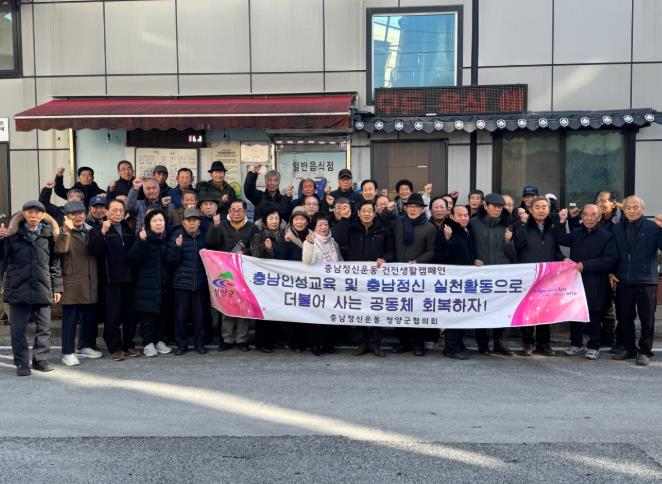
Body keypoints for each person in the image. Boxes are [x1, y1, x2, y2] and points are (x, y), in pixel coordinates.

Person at [0, 201, 62, 376]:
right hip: (17, 288)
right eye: (29, 212)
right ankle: (21, 363)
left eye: (37, 213)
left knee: (44, 328)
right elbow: (2, 257)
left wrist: (57, 288)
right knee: (18, 330)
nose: (33, 216)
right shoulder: (12, 235)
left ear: (43, 216)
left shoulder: (49, 236)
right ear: (23, 214)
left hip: (42, 288)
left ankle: (40, 360)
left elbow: (55, 264)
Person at [555, 205, 618, 360]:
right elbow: (561, 239)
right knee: (575, 311)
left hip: (595, 280)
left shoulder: (607, 236)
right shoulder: (577, 233)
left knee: (594, 313)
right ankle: (576, 343)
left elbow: (610, 260)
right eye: (586, 215)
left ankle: (594, 346)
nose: (589, 218)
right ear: (582, 216)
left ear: (599, 217)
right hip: (575, 279)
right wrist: (561, 222)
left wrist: (585, 265)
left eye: (593, 215)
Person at [334, 200, 394, 357]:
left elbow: (391, 251)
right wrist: (344, 219)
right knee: (358, 308)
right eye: (364, 211)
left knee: (376, 308)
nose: (367, 214)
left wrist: (384, 259)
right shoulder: (351, 227)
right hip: (356, 278)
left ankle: (375, 343)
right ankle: (361, 343)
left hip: (376, 278)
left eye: (370, 211)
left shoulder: (383, 229)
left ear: (375, 213)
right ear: (359, 213)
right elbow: (338, 240)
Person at [610, 196, 662, 366]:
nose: (632, 211)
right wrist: (611, 272)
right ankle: (629, 348)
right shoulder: (616, 228)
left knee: (647, 319)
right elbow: (612, 253)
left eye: (636, 207)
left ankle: (645, 351)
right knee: (625, 317)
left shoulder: (653, 228)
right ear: (623, 210)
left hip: (647, 280)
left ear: (643, 209)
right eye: (628, 208)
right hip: (623, 280)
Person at [512, 196, 565, 356]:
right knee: (527, 310)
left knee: (545, 310)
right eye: (537, 207)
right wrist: (521, 225)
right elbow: (518, 245)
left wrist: (564, 260)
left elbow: (556, 249)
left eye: (544, 207)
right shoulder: (522, 225)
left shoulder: (552, 226)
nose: (541, 210)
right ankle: (528, 343)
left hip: (547, 275)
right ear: (530, 209)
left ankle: (544, 343)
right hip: (528, 274)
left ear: (548, 209)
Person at [88, 199, 139, 361]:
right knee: (113, 315)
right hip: (110, 281)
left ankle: (128, 344)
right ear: (107, 212)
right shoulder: (98, 230)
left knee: (130, 314)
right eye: (114, 210)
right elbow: (94, 250)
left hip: (129, 279)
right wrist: (103, 232)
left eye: (121, 211)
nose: (118, 214)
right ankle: (114, 347)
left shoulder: (128, 229)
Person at [54, 201, 103, 366]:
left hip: (90, 280)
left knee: (88, 317)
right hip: (72, 281)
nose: (78, 216)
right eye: (73, 214)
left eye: (81, 212)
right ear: (66, 216)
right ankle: (68, 352)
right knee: (70, 319)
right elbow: (60, 249)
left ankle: (84, 346)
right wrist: (66, 231)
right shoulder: (63, 231)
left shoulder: (91, 230)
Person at [206, 199, 257, 352]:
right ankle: (227, 339)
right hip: (225, 272)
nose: (236, 213)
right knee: (227, 305)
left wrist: (245, 252)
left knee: (244, 306)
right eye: (233, 210)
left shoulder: (252, 227)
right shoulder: (221, 225)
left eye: (239, 210)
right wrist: (214, 227)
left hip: (244, 272)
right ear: (228, 211)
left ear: (245, 211)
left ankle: (242, 339)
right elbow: (211, 243)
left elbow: (256, 248)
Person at [470, 193, 516, 356]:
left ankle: (499, 342)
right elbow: (469, 246)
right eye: (494, 206)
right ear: (485, 205)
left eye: (500, 206)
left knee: (501, 309)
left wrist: (509, 241)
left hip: (501, 274)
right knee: (480, 307)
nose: (497, 209)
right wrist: (473, 259)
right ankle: (482, 344)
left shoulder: (508, 224)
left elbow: (514, 255)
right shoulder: (473, 223)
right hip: (480, 273)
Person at [390, 193, 436, 356]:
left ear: (422, 209)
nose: (413, 210)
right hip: (398, 274)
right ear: (405, 208)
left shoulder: (429, 227)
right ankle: (404, 342)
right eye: (410, 207)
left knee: (417, 309)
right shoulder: (398, 223)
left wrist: (418, 261)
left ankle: (418, 344)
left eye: (416, 207)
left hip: (418, 275)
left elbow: (432, 251)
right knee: (400, 308)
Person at [128, 210, 173, 357]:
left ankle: (159, 341)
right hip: (146, 285)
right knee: (148, 316)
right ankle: (148, 344)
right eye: (154, 221)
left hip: (162, 285)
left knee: (162, 315)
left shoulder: (166, 239)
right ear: (148, 224)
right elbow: (132, 258)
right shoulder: (144, 237)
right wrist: (140, 240)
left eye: (161, 220)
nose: (158, 223)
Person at [167, 208, 209, 355]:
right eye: (189, 220)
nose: (192, 223)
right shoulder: (176, 236)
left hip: (200, 283)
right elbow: (170, 261)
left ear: (199, 222)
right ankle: (181, 345)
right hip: (181, 284)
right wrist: (177, 247)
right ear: (183, 222)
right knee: (180, 317)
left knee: (200, 317)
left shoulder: (204, 237)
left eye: (194, 220)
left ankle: (200, 344)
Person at [434, 205, 473, 360]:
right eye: (460, 215)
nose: (464, 218)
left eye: (466, 215)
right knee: (454, 314)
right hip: (452, 282)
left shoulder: (465, 231)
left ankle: (458, 344)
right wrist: (447, 239)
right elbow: (439, 257)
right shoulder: (446, 230)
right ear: (451, 216)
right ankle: (450, 348)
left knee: (462, 314)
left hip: (465, 280)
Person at [302, 213, 343, 356]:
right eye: (320, 225)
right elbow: (307, 262)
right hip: (316, 286)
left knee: (330, 315)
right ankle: (315, 345)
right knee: (317, 317)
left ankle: (328, 344)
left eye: (326, 224)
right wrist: (310, 245)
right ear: (314, 227)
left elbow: (340, 261)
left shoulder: (333, 242)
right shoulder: (310, 241)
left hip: (332, 285)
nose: (324, 227)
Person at [275, 206, 311, 352]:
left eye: (302, 219)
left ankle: (305, 340)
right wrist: (285, 242)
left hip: (308, 280)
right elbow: (280, 258)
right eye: (296, 219)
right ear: (292, 221)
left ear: (307, 221)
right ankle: (293, 342)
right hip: (291, 281)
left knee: (306, 311)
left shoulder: (312, 235)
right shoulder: (286, 235)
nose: (299, 222)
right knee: (293, 312)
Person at [249, 203, 283, 353]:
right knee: (264, 313)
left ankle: (274, 340)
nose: (274, 221)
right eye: (271, 218)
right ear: (265, 221)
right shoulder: (259, 236)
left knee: (276, 311)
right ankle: (262, 343)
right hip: (263, 281)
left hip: (278, 281)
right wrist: (267, 249)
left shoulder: (283, 235)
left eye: (276, 218)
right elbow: (255, 257)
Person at [595, 190, 623, 350]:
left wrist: (613, 271)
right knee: (604, 305)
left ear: (613, 204)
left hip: (617, 271)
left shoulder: (621, 220)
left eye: (604, 201)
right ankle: (606, 338)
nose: (600, 204)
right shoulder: (597, 220)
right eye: (598, 201)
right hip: (601, 269)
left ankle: (619, 340)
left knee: (619, 308)